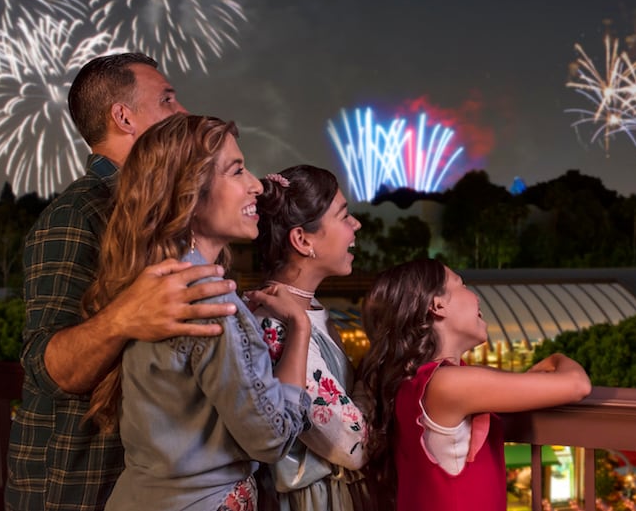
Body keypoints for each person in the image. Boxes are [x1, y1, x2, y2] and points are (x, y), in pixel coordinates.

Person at [6, 53, 237, 511]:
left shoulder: (152, 216)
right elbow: (47, 367)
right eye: (168, 100)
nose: (183, 112)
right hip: (78, 487)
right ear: (124, 117)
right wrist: (124, 319)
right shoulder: (79, 214)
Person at [84, 114, 313, 511]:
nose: (257, 185)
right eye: (237, 170)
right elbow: (272, 438)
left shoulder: (146, 285)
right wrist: (300, 328)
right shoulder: (210, 301)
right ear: (190, 193)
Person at [358, 259, 592, 511]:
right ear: (437, 305)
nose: (475, 297)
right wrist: (557, 358)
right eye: (462, 284)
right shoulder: (448, 383)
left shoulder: (414, 382)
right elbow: (577, 385)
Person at [252, 165, 367, 510]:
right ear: (302, 240)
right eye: (344, 216)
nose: (355, 224)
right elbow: (353, 443)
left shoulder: (309, 310)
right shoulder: (276, 326)